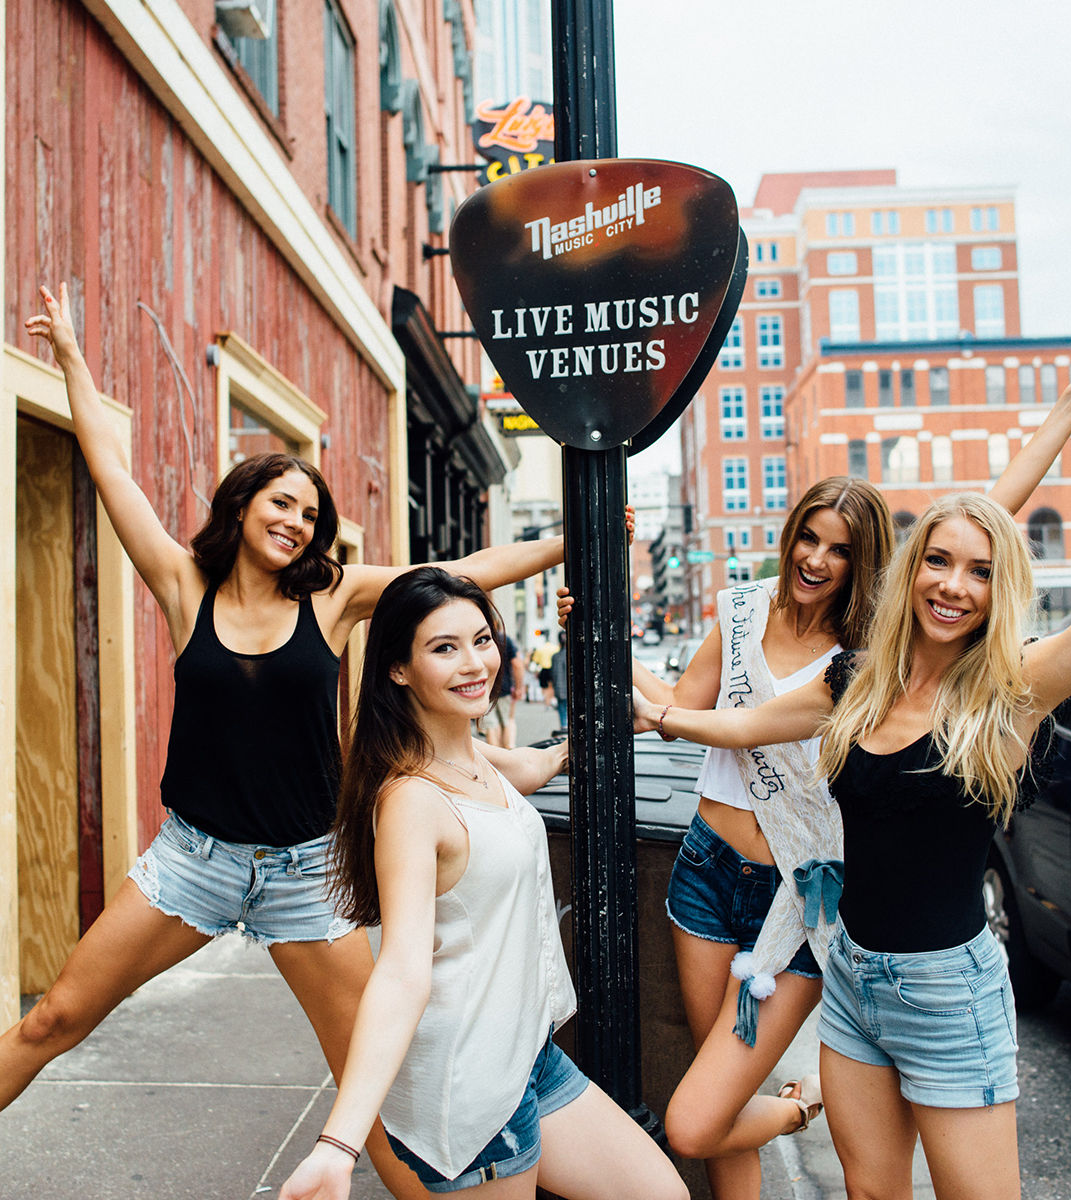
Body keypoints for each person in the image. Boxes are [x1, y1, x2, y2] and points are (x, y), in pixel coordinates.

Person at [8, 284, 567, 1198]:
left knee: (369, 1081)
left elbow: (454, 574)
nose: (295, 521)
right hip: (191, 862)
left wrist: (564, 545)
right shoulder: (184, 586)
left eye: (309, 511)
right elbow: (110, 469)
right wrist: (72, 358)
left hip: (308, 873)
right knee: (54, 1017)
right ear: (242, 506)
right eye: (280, 502)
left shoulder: (336, 598)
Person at [557, 329, 1071, 1200]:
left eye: (976, 573)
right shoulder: (844, 675)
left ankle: (798, 1109)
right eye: (935, 563)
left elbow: (986, 529)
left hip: (899, 958)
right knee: (855, 1183)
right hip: (821, 950)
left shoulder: (958, 681)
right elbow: (726, 723)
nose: (951, 584)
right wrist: (610, 636)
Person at [277, 568, 688, 1200]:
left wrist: (607, 730)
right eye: (444, 648)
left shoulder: (469, 755)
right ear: (397, 669)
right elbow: (402, 972)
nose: (474, 664)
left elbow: (528, 766)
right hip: (470, 1089)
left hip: (526, 1057)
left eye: (482, 639)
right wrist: (339, 1144)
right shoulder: (412, 799)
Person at [478, 631, 524, 748]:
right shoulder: (505, 639)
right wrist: (519, 687)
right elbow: (517, 664)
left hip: (485, 688)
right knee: (508, 721)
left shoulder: (478, 639)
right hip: (504, 688)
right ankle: (509, 750)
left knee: (491, 726)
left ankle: (497, 760)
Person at [551, 630, 569, 732]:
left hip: (560, 687)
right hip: (570, 687)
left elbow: (554, 673)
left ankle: (563, 725)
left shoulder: (555, 657)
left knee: (562, 707)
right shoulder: (573, 655)